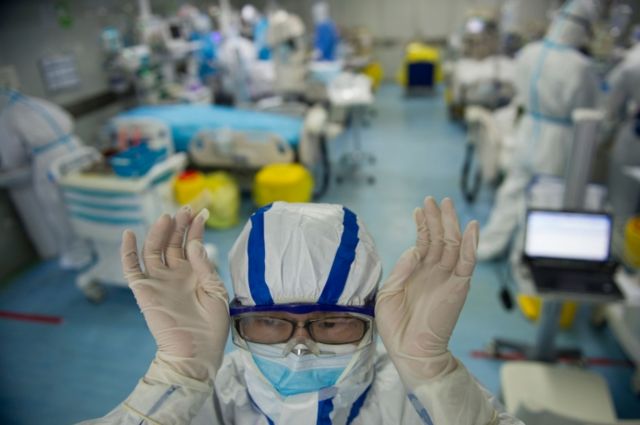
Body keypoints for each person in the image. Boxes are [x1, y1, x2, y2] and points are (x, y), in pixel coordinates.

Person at [80, 199, 523, 424]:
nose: (299, 350)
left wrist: (435, 375)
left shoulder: (415, 399)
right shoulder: (204, 398)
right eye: (270, 322)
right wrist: (176, 373)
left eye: (330, 323)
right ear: (237, 319)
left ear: (372, 318)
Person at [477, 0, 602, 260]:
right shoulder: (580, 66)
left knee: (512, 191)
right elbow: (588, 111)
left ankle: (487, 247)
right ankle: (522, 258)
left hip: (528, 130)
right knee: (542, 200)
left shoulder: (530, 52)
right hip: (557, 138)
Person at [0, 88, 90, 268]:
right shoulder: (39, 102)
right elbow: (67, 119)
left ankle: (79, 256)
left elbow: (12, 158)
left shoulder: (8, 116)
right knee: (85, 202)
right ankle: (101, 243)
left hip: (50, 162)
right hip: (76, 149)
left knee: (59, 211)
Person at [604, 26, 640, 227]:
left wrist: (603, 136)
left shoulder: (631, 63)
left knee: (623, 204)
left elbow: (610, 105)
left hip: (633, 141)